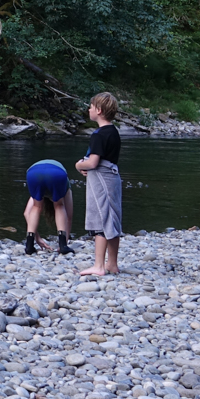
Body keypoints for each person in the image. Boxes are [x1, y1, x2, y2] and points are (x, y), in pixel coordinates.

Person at [76, 91, 123, 276]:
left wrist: (79, 164)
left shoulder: (98, 135)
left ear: (99, 110)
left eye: (91, 106)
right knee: (112, 218)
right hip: (113, 177)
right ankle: (112, 263)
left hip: (101, 180)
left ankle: (98, 266)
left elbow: (93, 162)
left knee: (101, 219)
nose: (89, 109)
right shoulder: (114, 132)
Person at [23, 159, 74, 255]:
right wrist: (64, 243)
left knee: (36, 207)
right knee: (59, 206)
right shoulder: (66, 185)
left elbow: (27, 213)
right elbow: (69, 217)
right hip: (57, 173)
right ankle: (63, 245)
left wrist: (37, 238)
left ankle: (29, 246)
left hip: (33, 172)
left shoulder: (40, 195)